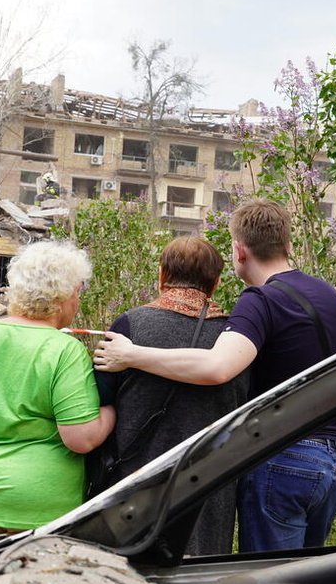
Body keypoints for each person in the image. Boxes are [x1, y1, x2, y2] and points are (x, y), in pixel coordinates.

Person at [94, 198, 336, 552]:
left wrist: (132, 354)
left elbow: (218, 367)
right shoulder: (331, 297)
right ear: (288, 245)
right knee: (301, 579)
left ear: (239, 251)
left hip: (284, 459)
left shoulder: (260, 299)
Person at [0, 240, 115, 541]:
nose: (78, 301)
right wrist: (110, 412)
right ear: (62, 295)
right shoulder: (64, 350)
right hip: (40, 499)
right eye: (78, 292)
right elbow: (80, 438)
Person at [94, 236, 249, 555]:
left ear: (162, 276)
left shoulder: (130, 325)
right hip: (211, 485)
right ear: (216, 283)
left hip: (138, 483)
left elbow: (100, 398)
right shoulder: (237, 339)